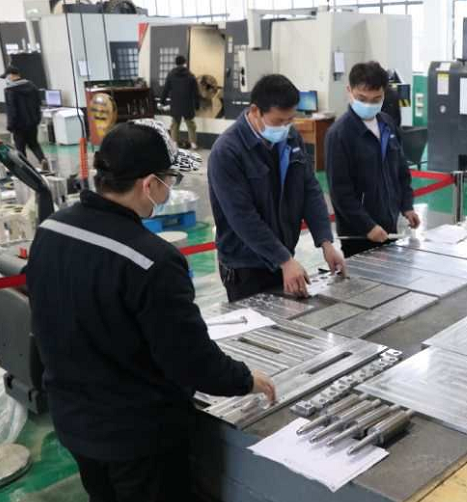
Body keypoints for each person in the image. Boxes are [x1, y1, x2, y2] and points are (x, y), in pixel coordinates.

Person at [25, 119, 275, 502]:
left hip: (75, 423)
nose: (170, 188)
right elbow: (190, 361)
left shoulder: (52, 230)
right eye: (170, 179)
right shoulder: (151, 259)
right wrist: (245, 380)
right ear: (149, 185)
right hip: (137, 439)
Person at [208, 74, 344, 302]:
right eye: (279, 121)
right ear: (255, 111)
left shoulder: (291, 138)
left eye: (290, 120)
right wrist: (284, 260)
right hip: (246, 266)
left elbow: (309, 189)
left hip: (282, 258)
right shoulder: (227, 152)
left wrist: (326, 242)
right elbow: (242, 217)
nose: (285, 127)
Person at [326, 61, 419, 258]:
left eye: (376, 99)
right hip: (358, 235)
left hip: (389, 226)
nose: (369, 104)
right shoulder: (339, 135)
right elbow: (340, 192)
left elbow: (401, 171)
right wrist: (367, 227)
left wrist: (407, 206)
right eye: (362, 98)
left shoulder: (388, 124)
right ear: (349, 91)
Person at [1, 65, 48, 171]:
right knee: (34, 143)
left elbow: (12, 110)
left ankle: (26, 169)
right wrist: (36, 119)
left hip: (18, 125)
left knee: (20, 148)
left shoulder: (10, 90)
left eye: (7, 76)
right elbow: (38, 103)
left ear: (11, 75)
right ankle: (42, 159)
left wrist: (10, 125)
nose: (7, 79)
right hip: (32, 122)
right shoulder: (32, 86)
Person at [161, 55, 200, 150]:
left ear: (176, 63)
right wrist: (197, 105)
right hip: (187, 104)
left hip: (176, 103)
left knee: (175, 124)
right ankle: (193, 143)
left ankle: (174, 143)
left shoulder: (171, 75)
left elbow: (166, 89)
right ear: (184, 63)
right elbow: (196, 92)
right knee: (191, 124)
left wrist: (162, 101)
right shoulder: (191, 76)